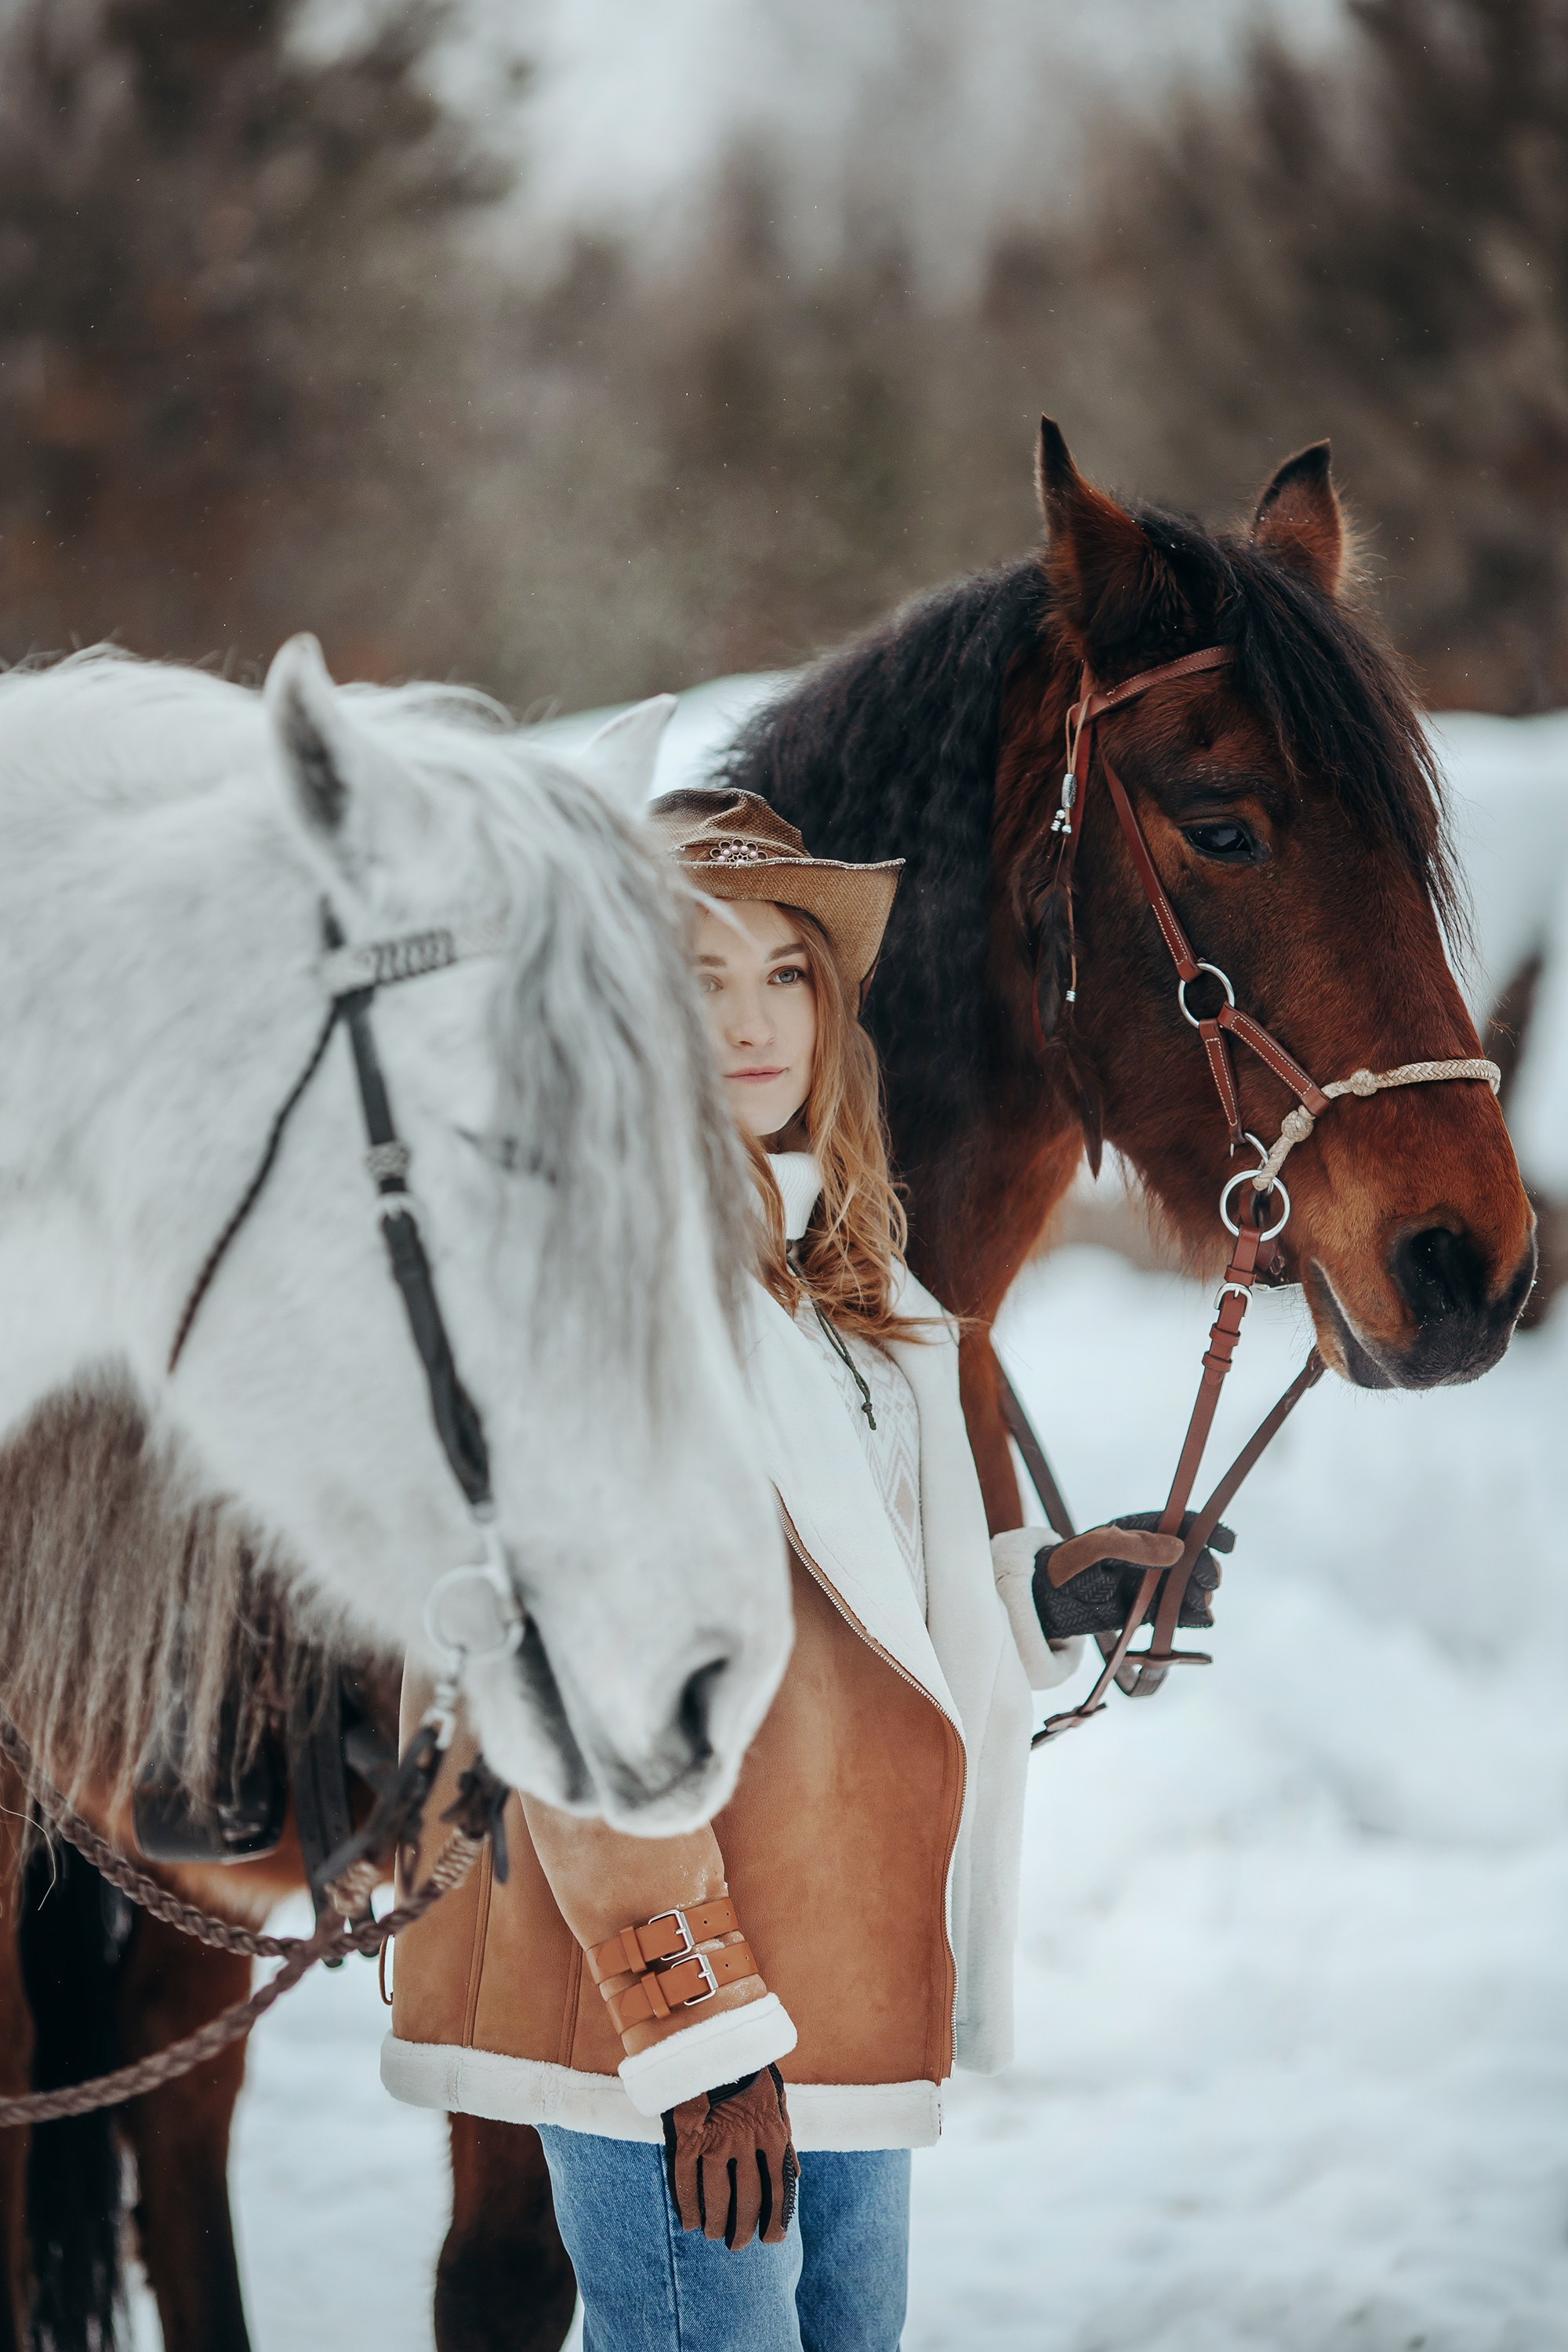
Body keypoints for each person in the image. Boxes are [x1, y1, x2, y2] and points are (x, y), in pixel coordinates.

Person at [383, 788, 1217, 2350]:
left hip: (834, 1969)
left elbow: (858, 1618)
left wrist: (1047, 1595)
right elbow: (570, 1696)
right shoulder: (591, 1295)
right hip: (673, 2008)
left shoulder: (849, 1287)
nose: (755, 1022)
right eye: (696, 981)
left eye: (786, 976)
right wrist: (692, 2029)